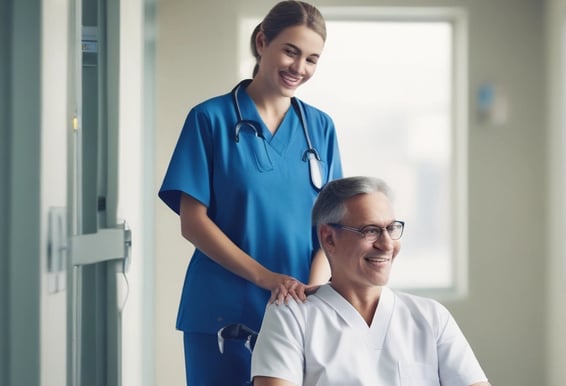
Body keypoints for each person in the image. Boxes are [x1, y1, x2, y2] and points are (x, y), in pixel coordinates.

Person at [157, 1, 343, 384]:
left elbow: (332, 227)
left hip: (296, 311)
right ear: (262, 42)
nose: (299, 68)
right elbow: (193, 223)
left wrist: (314, 288)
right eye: (290, 51)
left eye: (311, 59)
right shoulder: (209, 119)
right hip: (224, 312)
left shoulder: (320, 129)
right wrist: (267, 278)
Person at [250, 176, 491, 386]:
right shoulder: (291, 317)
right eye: (370, 230)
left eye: (392, 228)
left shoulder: (431, 317)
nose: (387, 244)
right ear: (329, 238)